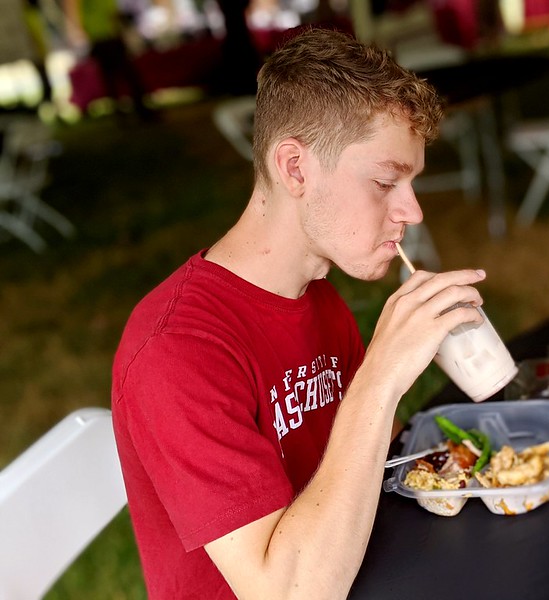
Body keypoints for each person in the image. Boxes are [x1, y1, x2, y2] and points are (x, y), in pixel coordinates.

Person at [112, 27, 488, 599]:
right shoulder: (177, 351)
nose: (410, 210)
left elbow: (374, 461)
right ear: (294, 168)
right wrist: (381, 376)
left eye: (410, 182)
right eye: (386, 181)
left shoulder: (317, 298)